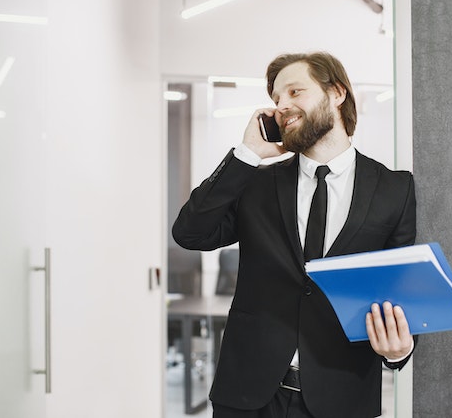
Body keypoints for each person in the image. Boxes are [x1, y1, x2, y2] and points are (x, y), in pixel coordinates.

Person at [172, 51, 416, 418]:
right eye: (276, 99)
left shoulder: (395, 189)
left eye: (294, 92)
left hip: (342, 398)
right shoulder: (255, 181)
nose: (281, 106)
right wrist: (247, 154)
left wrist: (399, 351)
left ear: (336, 93)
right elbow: (191, 233)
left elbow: (401, 291)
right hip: (248, 397)